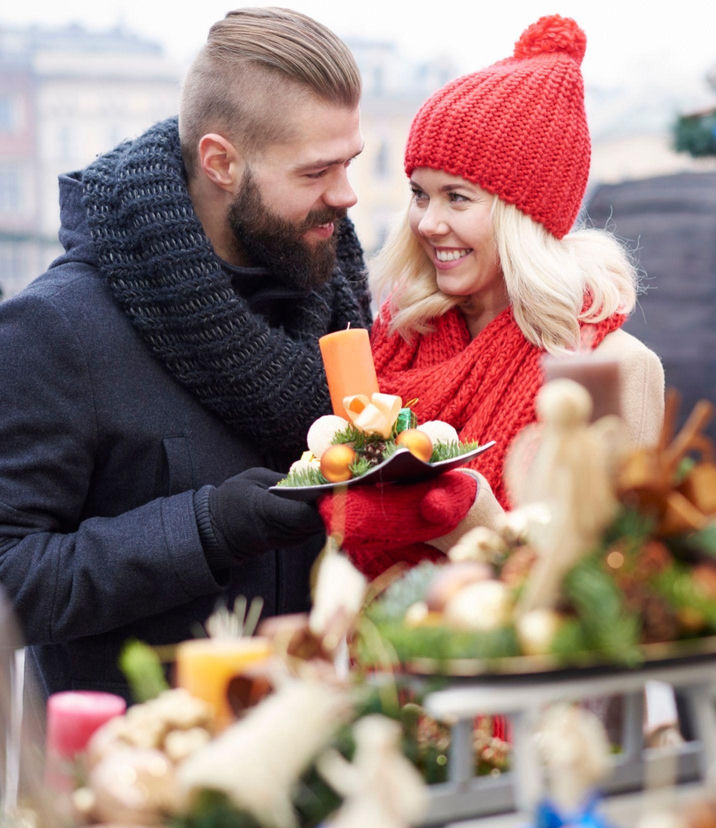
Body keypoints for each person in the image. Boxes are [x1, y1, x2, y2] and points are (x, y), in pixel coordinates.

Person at [0, 7, 371, 700]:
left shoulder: (336, 296)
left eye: (351, 162)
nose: (347, 195)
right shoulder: (54, 328)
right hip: (141, 778)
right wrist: (203, 529)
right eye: (318, 170)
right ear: (221, 162)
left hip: (323, 755)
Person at [332, 15, 665, 579]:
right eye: (420, 194)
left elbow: (611, 587)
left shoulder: (614, 369)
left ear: (524, 217)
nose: (427, 223)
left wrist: (475, 521)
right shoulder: (394, 344)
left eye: (457, 198)